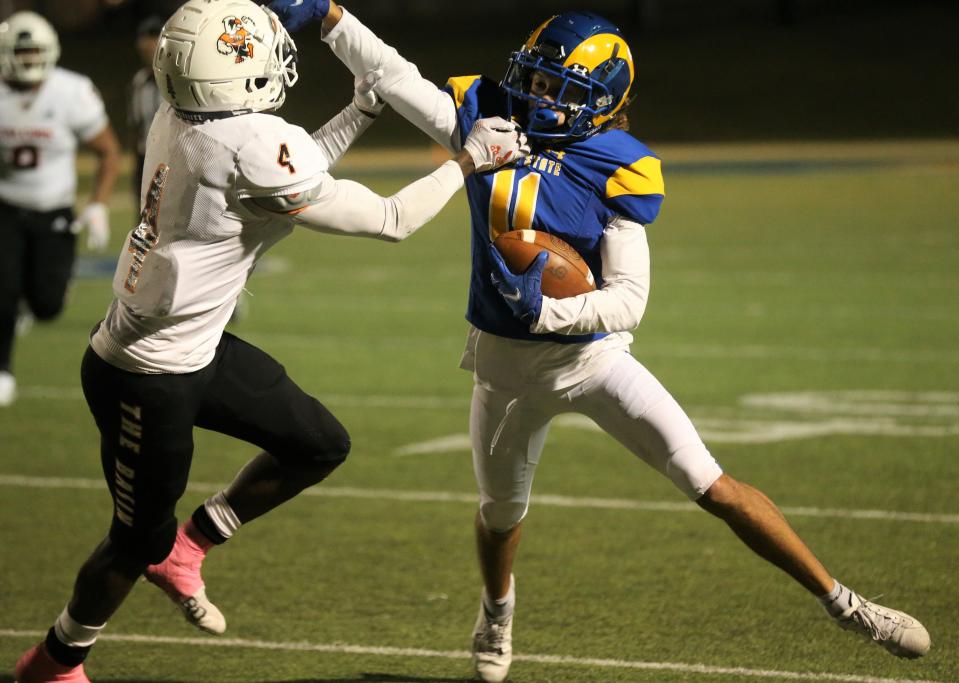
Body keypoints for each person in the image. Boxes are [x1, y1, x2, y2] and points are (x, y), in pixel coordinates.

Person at [268, 2, 932, 681]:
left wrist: (547, 314)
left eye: (558, 89)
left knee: (711, 483)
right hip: (502, 366)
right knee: (500, 513)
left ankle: (845, 603)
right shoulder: (488, 118)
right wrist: (330, 16)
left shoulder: (617, 164)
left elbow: (628, 301)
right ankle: (496, 612)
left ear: (601, 99)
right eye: (533, 78)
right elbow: (390, 73)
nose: (537, 95)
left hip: (590, 360)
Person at [12, 0, 527, 680]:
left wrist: (360, 110)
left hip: (190, 347)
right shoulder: (243, 143)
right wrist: (468, 160)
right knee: (135, 538)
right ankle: (54, 660)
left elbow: (289, 169)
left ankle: (189, 548)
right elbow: (391, 218)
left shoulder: (182, 115)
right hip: (144, 371)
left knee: (316, 443)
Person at [0, 11, 121, 407]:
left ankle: (27, 302)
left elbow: (107, 150)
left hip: (53, 208)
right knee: (1, 291)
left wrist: (97, 204)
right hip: (5, 206)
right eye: (24, 52)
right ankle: (2, 369)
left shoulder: (71, 90)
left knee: (46, 304)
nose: (31, 59)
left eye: (36, 51)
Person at [126, 15, 165, 205]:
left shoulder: (174, 79)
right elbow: (135, 125)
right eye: (145, 37)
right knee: (144, 221)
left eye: (154, 36)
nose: (148, 43)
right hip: (145, 159)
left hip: (170, 159)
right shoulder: (139, 82)